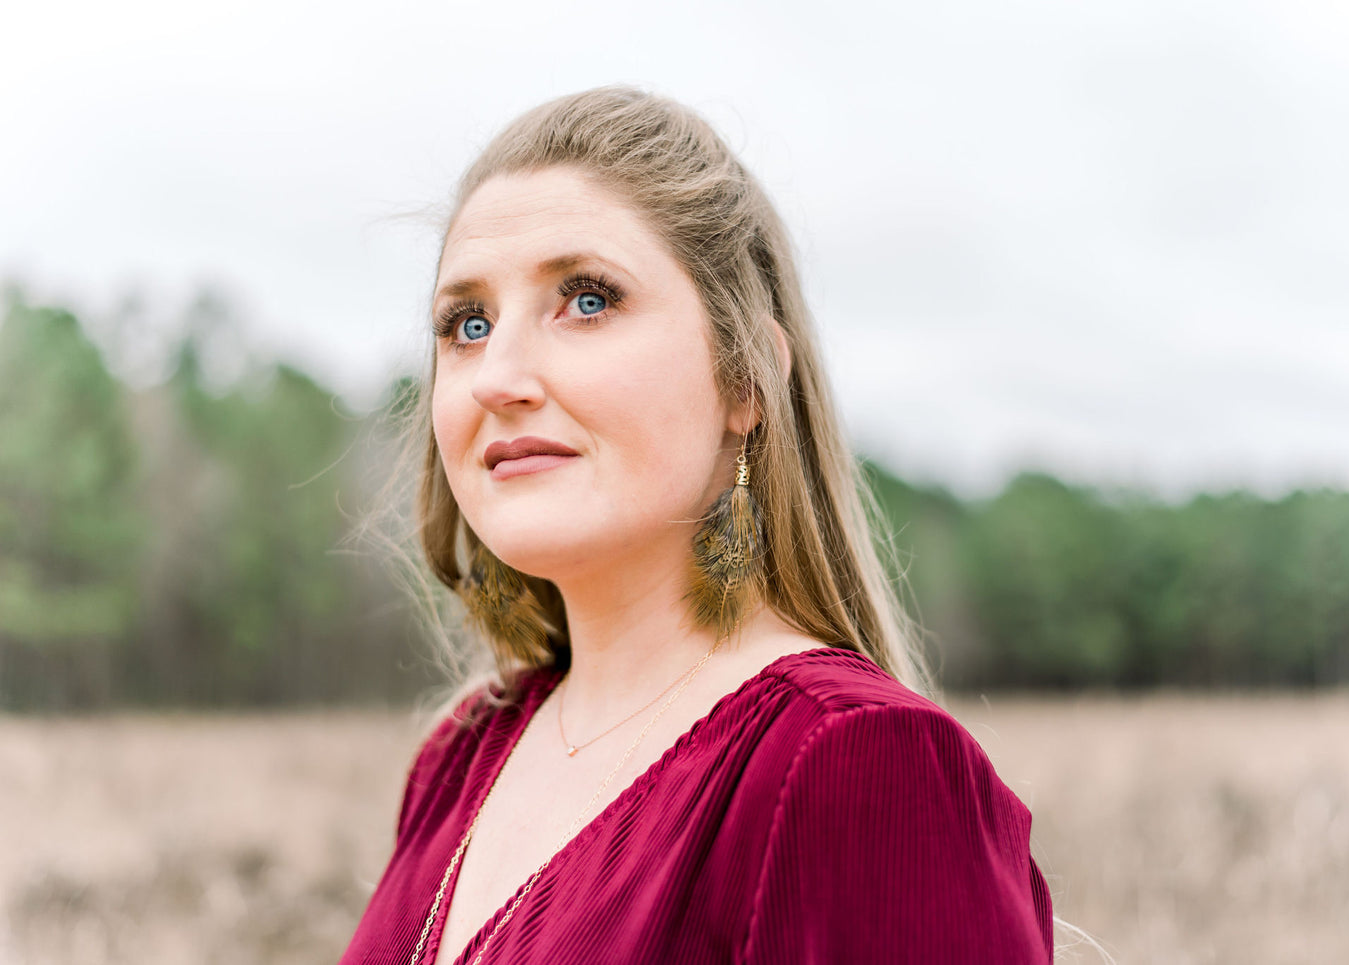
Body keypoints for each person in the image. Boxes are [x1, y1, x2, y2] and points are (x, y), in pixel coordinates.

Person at [339, 86, 1053, 964]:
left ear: (746, 380)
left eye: (587, 299)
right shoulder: (460, 759)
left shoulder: (851, 764)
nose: (498, 376)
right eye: (468, 323)